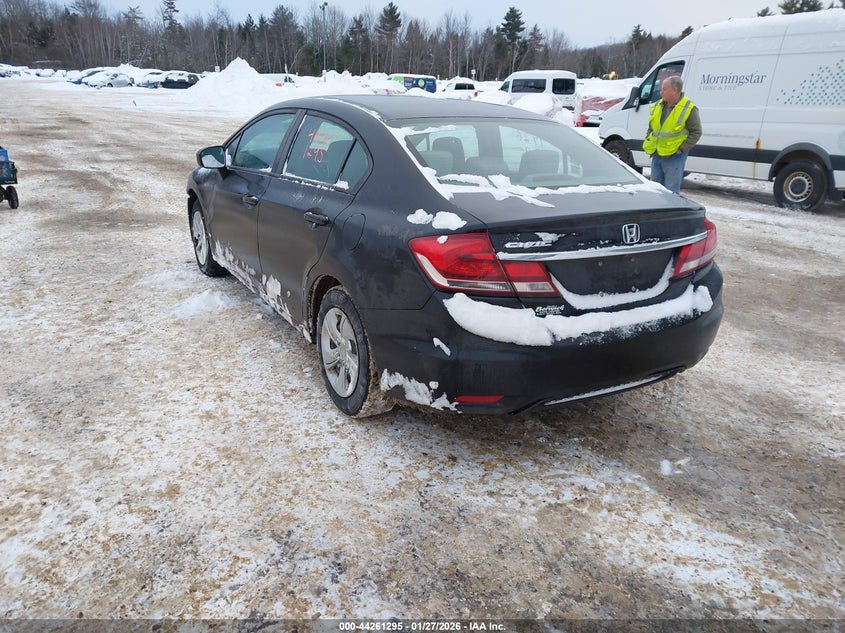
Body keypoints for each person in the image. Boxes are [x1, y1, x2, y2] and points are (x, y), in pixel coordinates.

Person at [642, 75, 702, 195]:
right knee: (655, 188)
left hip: (674, 156)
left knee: (671, 191)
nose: (661, 92)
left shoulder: (688, 108)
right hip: (657, 154)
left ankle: (670, 212)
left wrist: (682, 149)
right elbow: (652, 128)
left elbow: (696, 132)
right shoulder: (658, 106)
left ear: (674, 90)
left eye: (664, 89)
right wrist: (649, 140)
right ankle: (657, 212)